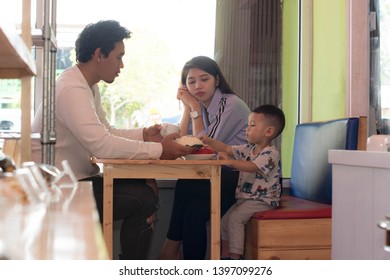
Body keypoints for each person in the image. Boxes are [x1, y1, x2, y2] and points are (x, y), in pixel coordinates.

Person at [31, 20, 192, 260]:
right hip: (58, 189)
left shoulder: (86, 85)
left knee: (145, 190)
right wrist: (159, 149)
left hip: (77, 179)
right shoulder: (71, 88)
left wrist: (144, 134)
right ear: (98, 54)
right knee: (143, 199)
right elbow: (102, 145)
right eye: (119, 57)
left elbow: (105, 131)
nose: (122, 65)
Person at [158, 56, 251, 260]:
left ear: (217, 80)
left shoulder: (231, 104)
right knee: (193, 212)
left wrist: (195, 109)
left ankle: (170, 248)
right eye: (191, 82)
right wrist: (187, 108)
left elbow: (202, 148)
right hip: (214, 176)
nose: (198, 86)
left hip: (240, 178)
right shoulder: (199, 106)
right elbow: (182, 143)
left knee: (188, 183)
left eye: (204, 79)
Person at [201, 104, 285, 260]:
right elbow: (226, 148)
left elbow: (253, 167)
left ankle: (235, 257)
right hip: (245, 199)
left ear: (268, 131)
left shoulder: (271, 153)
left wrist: (230, 162)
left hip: (262, 200)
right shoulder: (248, 148)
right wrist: (209, 141)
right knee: (224, 222)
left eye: (252, 125)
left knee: (235, 219)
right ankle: (224, 256)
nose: (247, 129)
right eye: (248, 125)